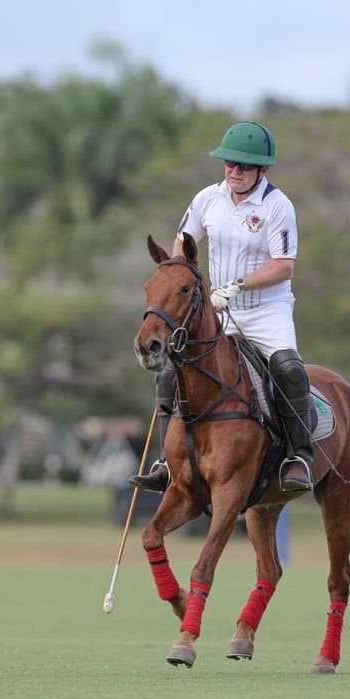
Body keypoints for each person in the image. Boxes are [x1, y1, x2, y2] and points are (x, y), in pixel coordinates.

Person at [130, 121, 314, 494]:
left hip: (266, 310)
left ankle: (299, 455)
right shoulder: (206, 199)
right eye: (230, 163)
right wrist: (178, 277)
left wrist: (238, 286)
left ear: (262, 169)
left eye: (244, 166)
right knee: (171, 372)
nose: (235, 171)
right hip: (217, 310)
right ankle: (168, 463)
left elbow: (284, 265)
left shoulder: (277, 206)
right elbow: (183, 243)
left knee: (288, 369)